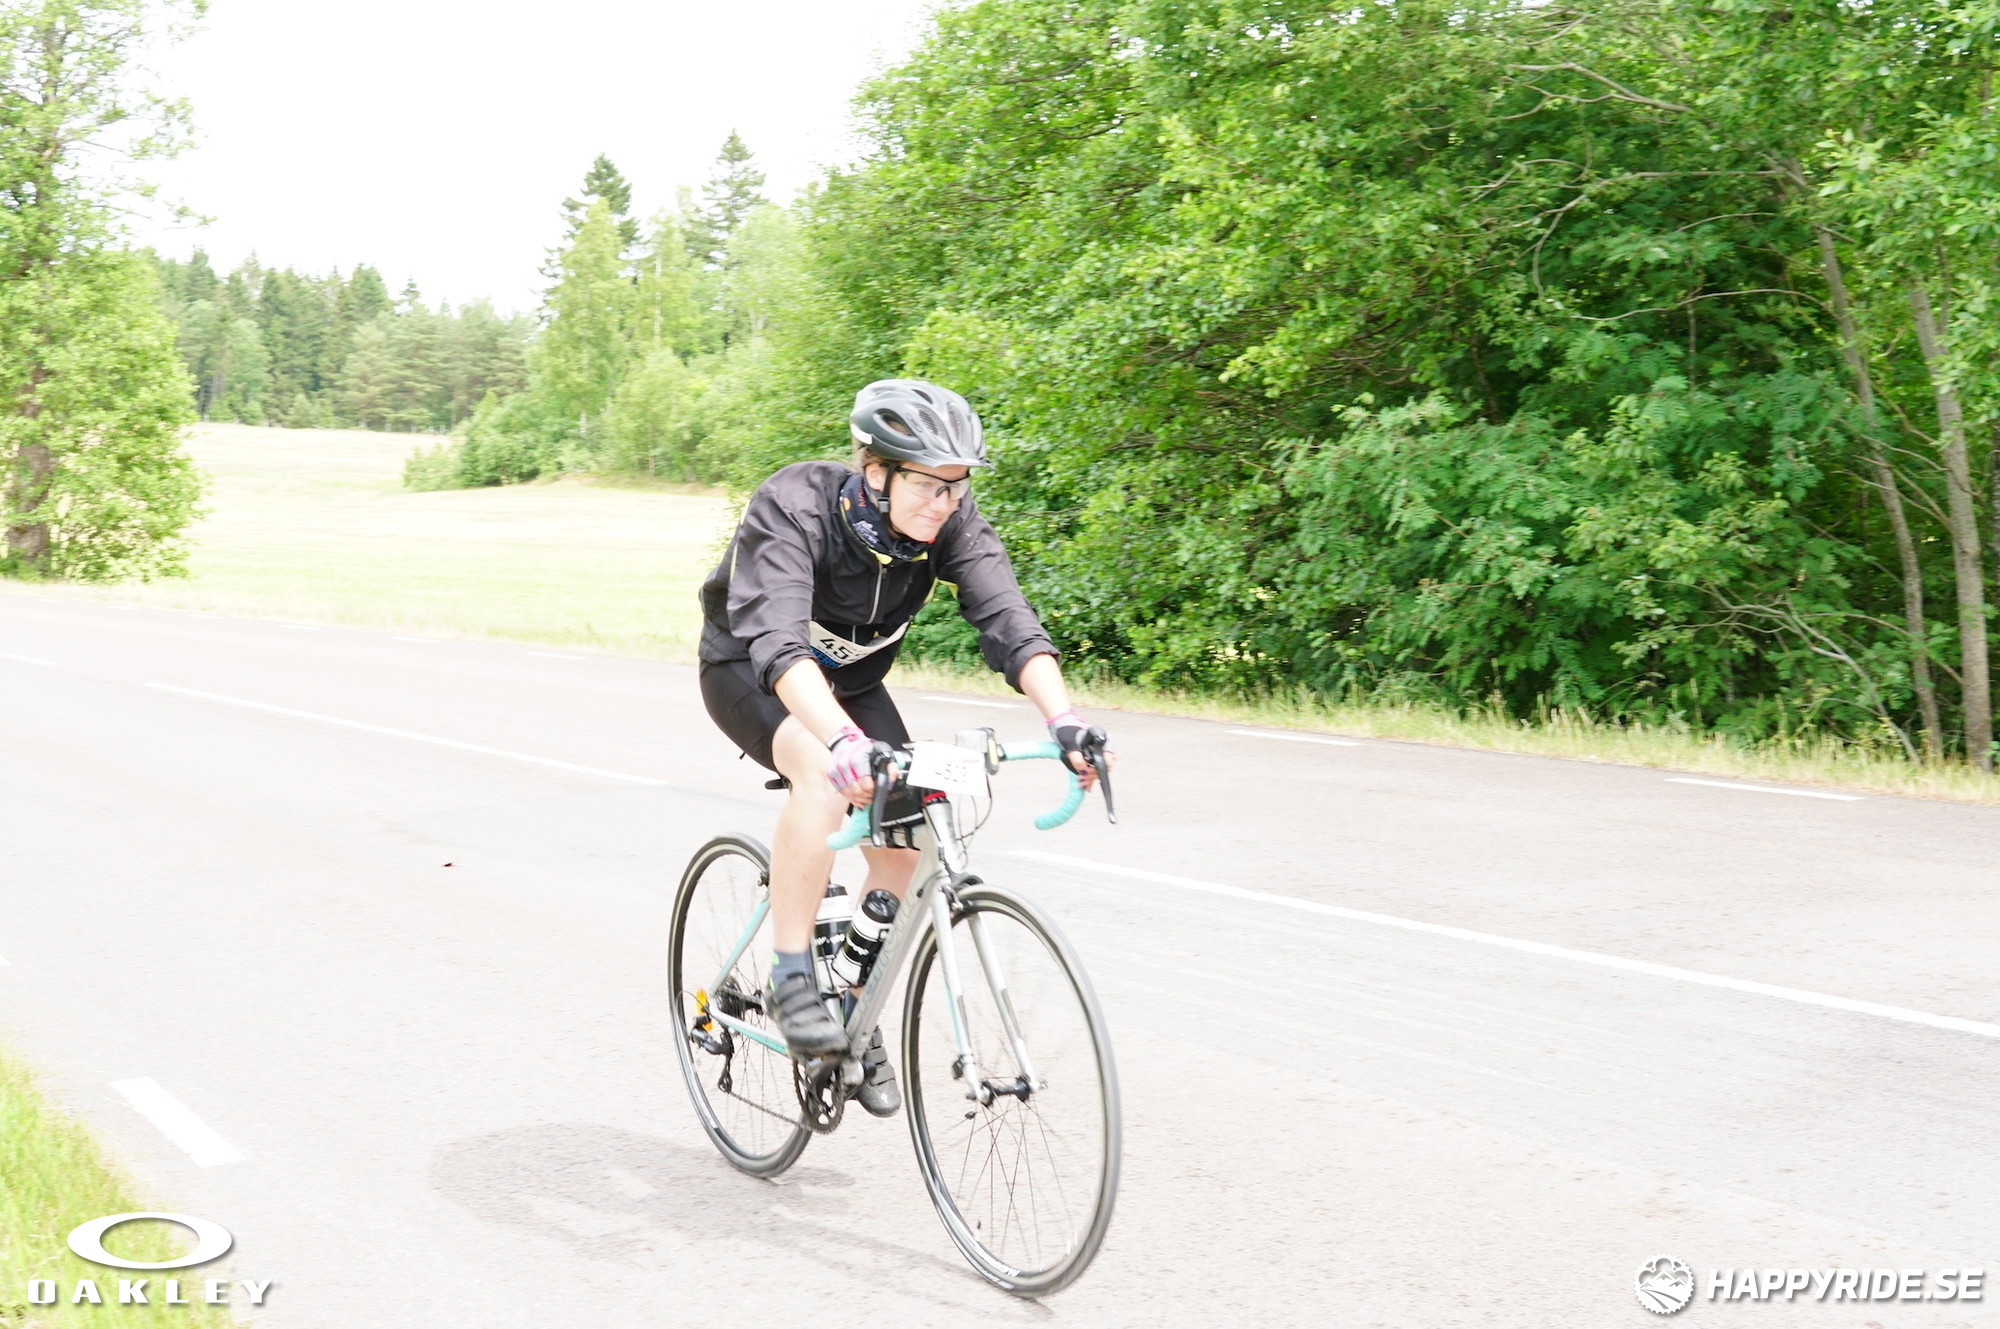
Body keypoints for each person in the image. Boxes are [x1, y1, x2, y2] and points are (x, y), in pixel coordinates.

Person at [697, 379, 1106, 1118]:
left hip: (850, 686)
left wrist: (1065, 720)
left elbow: (1008, 618)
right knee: (822, 774)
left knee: (910, 840)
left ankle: (854, 1007)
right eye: (927, 484)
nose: (944, 503)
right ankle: (792, 976)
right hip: (752, 673)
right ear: (875, 470)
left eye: (957, 486)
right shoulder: (794, 506)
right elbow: (781, 645)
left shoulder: (948, 519)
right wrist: (842, 741)